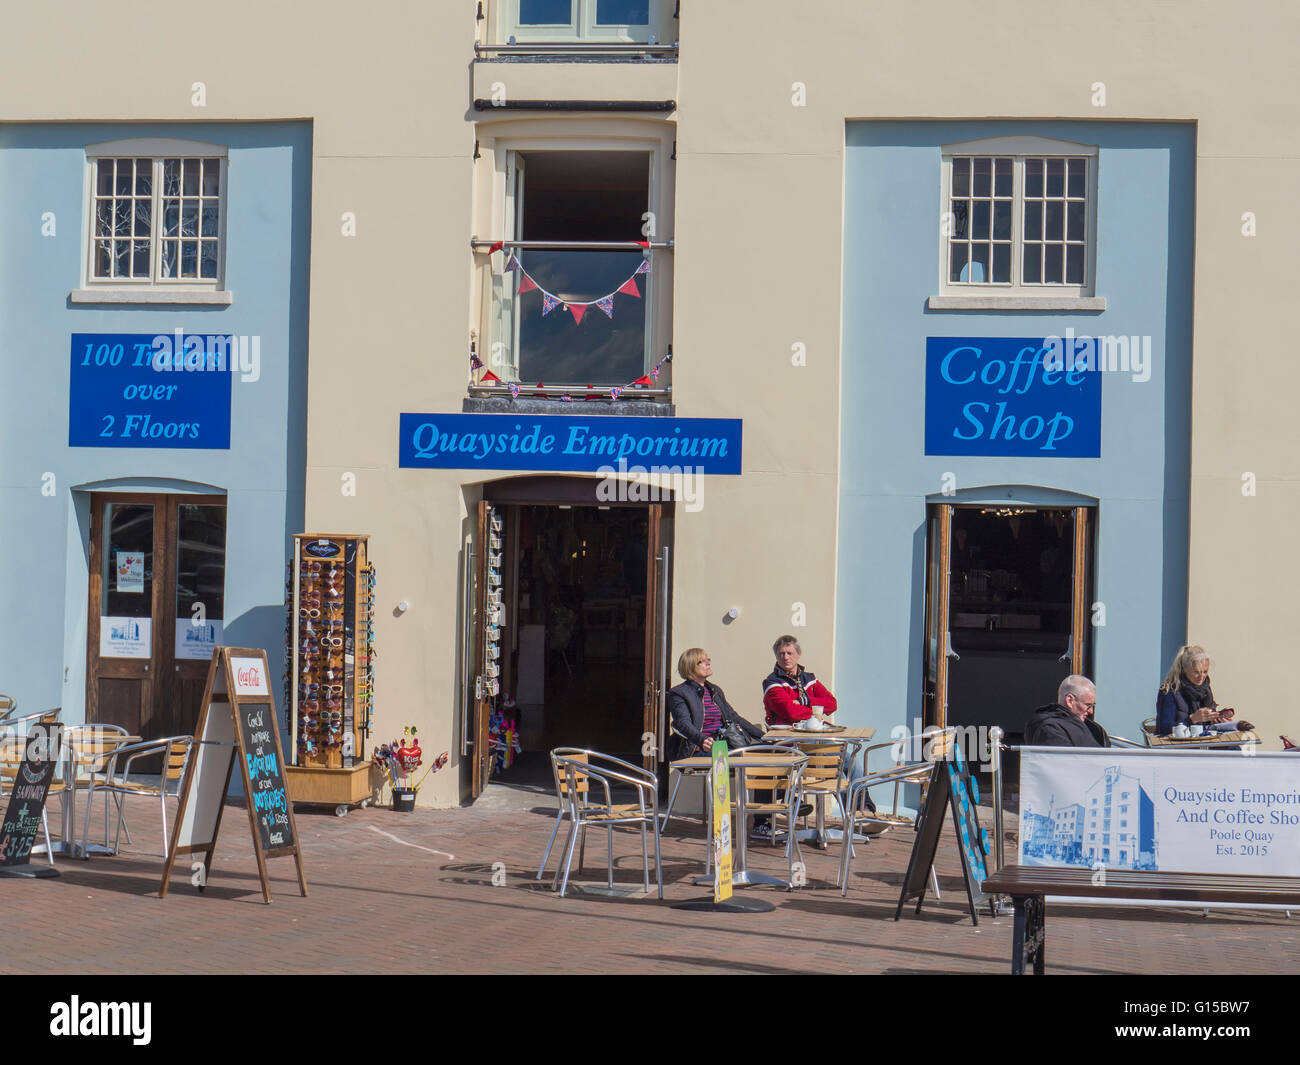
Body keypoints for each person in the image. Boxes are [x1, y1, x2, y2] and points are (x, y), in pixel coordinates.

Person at [666, 649, 764, 762]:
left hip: (726, 746)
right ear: (690, 666)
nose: (708, 663)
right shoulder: (679, 693)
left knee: (770, 752)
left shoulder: (714, 690)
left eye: (707, 659)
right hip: (698, 750)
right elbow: (683, 723)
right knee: (751, 759)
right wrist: (702, 740)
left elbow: (734, 717)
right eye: (701, 661)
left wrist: (763, 736)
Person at [1155, 645, 1251, 737]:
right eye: (1196, 672)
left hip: (1201, 741)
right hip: (1179, 747)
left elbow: (1206, 724)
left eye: (1205, 672)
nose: (1201, 677)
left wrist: (1216, 718)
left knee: (1234, 749)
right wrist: (1192, 719)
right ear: (1184, 669)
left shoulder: (1205, 689)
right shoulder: (1170, 691)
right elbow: (1164, 728)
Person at [762, 636, 838, 726]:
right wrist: (817, 713)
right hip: (785, 736)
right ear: (776, 656)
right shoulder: (771, 682)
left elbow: (832, 704)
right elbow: (791, 712)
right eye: (781, 654)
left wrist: (804, 701)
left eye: (789, 653)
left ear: (799, 654)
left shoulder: (810, 679)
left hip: (811, 731)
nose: (785, 657)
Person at [1024, 675, 1111, 747]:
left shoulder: (1092, 728)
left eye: (1093, 706)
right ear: (1070, 701)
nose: (1091, 711)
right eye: (1088, 705)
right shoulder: (1050, 729)